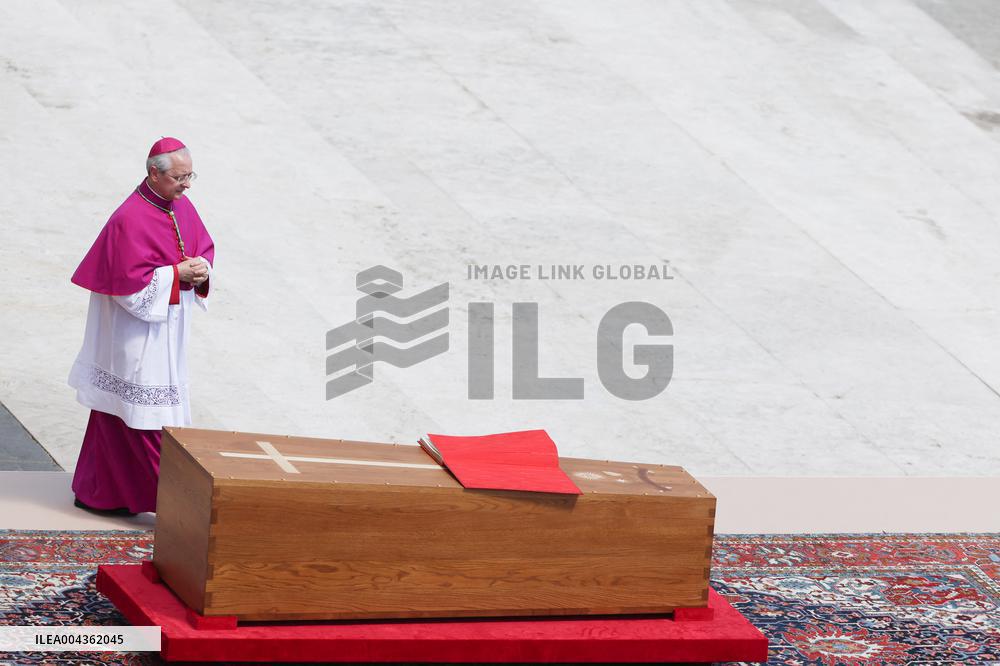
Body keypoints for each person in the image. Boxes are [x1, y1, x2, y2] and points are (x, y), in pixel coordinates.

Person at [68, 137, 215, 515]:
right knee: (146, 417)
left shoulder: (179, 205)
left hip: (166, 329)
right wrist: (174, 274)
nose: (187, 185)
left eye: (190, 175)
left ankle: (98, 491)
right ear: (154, 173)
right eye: (180, 177)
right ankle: (180, 508)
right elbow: (126, 287)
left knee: (117, 413)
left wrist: (200, 270)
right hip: (135, 333)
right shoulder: (128, 219)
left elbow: (202, 246)